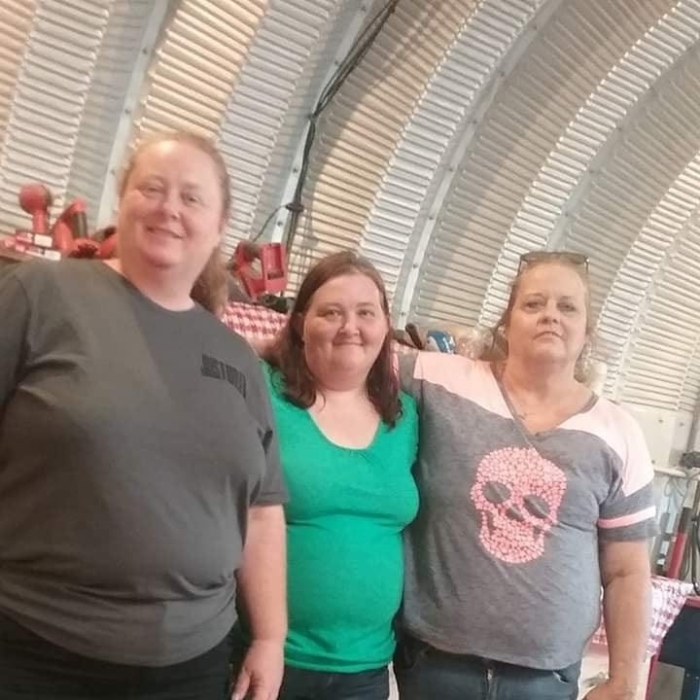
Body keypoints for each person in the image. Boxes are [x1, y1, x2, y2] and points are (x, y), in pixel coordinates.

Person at [0, 130, 287, 700]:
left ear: (220, 226)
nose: (169, 208)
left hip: (191, 664)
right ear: (122, 200)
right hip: (33, 648)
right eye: (151, 188)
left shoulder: (239, 360)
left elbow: (261, 512)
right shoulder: (38, 294)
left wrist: (270, 638)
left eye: (192, 197)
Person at [395, 251, 655, 700]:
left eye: (567, 306)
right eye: (534, 304)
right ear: (507, 321)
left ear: (587, 330)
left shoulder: (619, 434)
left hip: (546, 683)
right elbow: (345, 355)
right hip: (435, 666)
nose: (550, 316)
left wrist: (623, 680)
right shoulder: (438, 381)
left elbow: (628, 572)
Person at [233, 251, 419, 700]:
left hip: (367, 669)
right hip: (270, 659)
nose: (349, 327)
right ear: (299, 322)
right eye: (331, 312)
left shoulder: (406, 417)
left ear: (384, 326)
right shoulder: (260, 389)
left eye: (365, 313)